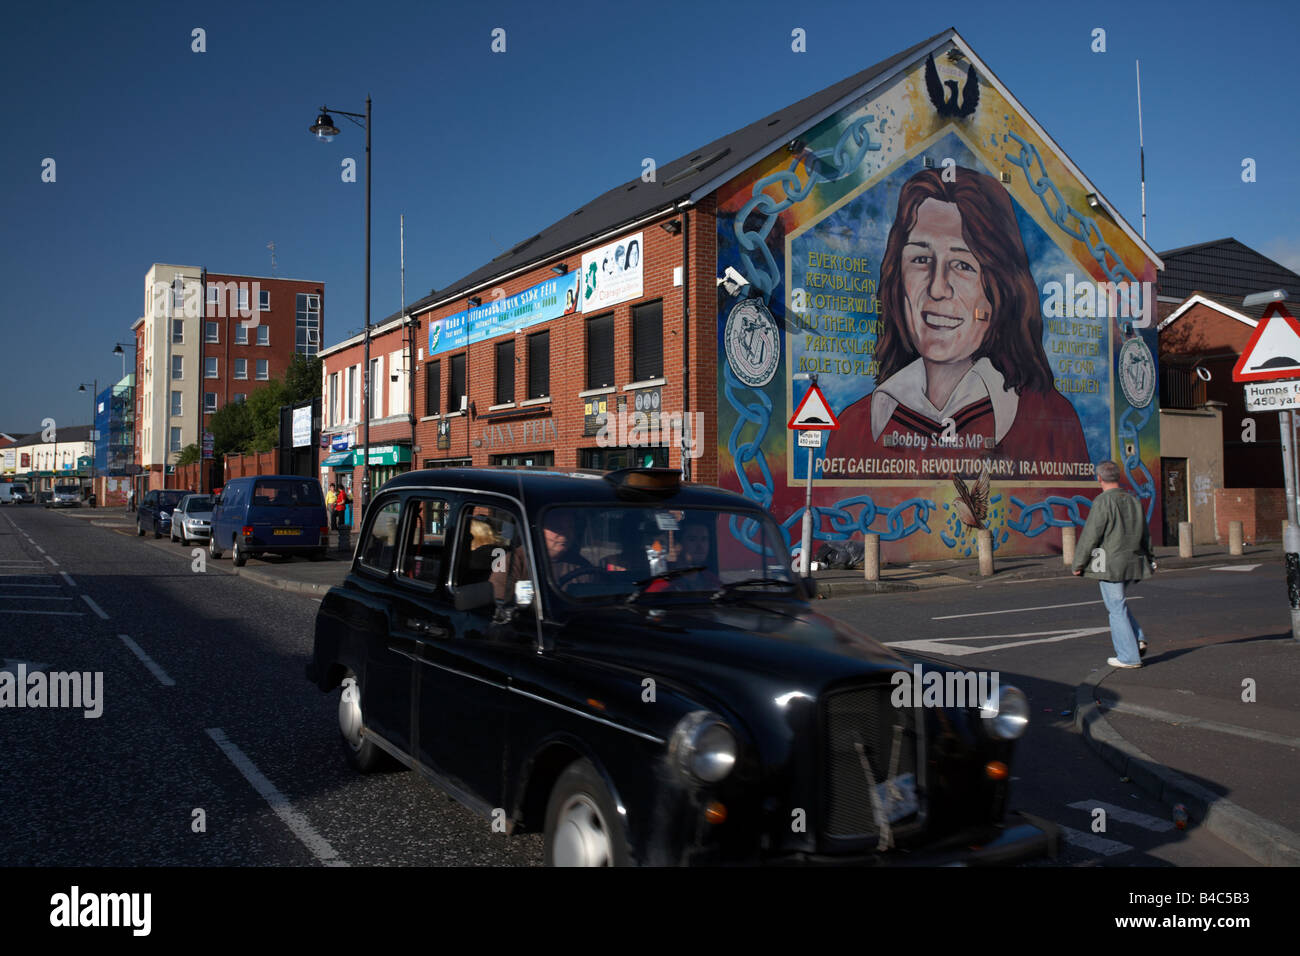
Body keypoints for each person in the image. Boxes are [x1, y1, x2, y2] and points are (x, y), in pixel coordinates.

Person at [827, 166, 1089, 474]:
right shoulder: (855, 429)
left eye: (963, 264)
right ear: (897, 280)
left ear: (999, 287)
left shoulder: (1049, 422)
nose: (938, 288)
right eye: (921, 260)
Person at [1071, 460, 1156, 668]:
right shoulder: (1133, 500)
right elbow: (1145, 533)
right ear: (1118, 477)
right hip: (1133, 561)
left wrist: (1078, 563)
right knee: (1118, 604)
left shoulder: (1102, 502)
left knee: (1115, 608)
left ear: (1099, 478)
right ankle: (1137, 639)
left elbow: (1091, 535)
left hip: (1109, 564)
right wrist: (1151, 558)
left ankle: (1129, 656)